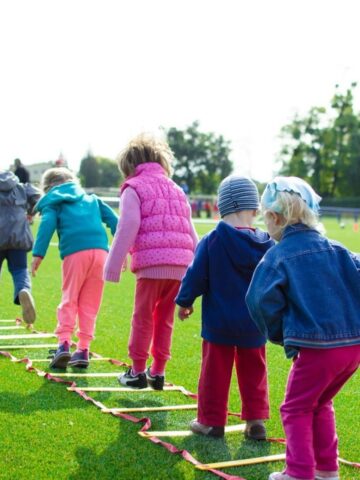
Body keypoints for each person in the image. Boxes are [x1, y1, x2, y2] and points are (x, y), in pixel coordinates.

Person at [245, 176, 360, 480]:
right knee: (321, 403)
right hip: (352, 349)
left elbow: (258, 300)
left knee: (295, 408)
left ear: (274, 217)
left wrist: (281, 334)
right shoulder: (338, 250)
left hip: (318, 350)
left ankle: (298, 473)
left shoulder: (278, 255)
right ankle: (326, 471)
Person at [175, 175, 275, 440]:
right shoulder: (269, 244)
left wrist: (185, 301)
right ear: (255, 209)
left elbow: (196, 275)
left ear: (219, 207)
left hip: (218, 322)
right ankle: (255, 421)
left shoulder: (212, 240)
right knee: (255, 372)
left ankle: (211, 421)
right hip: (254, 323)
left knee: (214, 373)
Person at [104, 133, 198, 390]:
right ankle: (157, 371)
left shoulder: (133, 188)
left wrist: (114, 263)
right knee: (164, 319)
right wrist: (198, 270)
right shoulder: (177, 189)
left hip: (151, 265)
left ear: (129, 166)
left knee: (142, 317)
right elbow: (191, 231)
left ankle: (136, 372)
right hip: (181, 266)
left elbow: (129, 225)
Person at [31, 167, 118, 369]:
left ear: (48, 187)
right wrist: (122, 250)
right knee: (90, 303)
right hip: (101, 254)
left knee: (69, 298)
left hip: (75, 253)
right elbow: (116, 222)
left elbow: (47, 224)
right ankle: (83, 350)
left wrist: (38, 254)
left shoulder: (54, 201)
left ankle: (63, 345)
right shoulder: (92, 199)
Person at [0, 170, 40, 323]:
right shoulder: (22, 187)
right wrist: (30, 211)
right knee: (19, 270)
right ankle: (23, 291)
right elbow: (40, 199)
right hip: (18, 238)